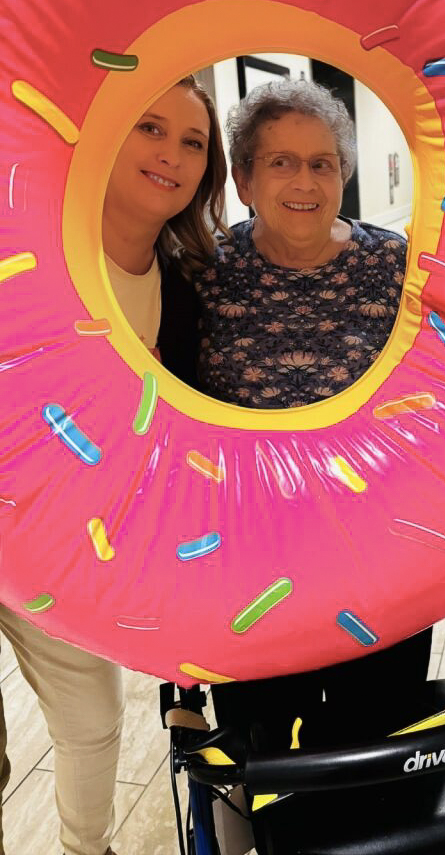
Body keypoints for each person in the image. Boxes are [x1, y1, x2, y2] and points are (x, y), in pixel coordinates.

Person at [0, 76, 227, 855]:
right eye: (150, 129)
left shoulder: (183, 289)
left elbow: (183, 435)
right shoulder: (30, 243)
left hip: (61, 549)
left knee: (93, 723)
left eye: (192, 142)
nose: (170, 154)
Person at [195, 78, 432, 750]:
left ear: (343, 174)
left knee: (378, 731)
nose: (306, 180)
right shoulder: (206, 270)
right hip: (249, 553)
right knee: (264, 739)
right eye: (281, 161)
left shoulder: (394, 264)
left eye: (322, 162)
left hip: (379, 547)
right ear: (243, 179)